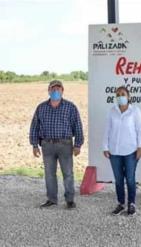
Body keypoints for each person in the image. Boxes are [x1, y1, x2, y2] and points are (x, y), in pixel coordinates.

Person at [29, 80, 84, 209]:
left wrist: (78, 145)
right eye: (53, 89)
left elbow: (78, 126)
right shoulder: (41, 107)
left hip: (65, 144)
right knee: (49, 174)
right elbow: (34, 127)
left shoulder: (70, 107)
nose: (55, 92)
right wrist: (34, 145)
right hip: (47, 145)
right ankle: (51, 199)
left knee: (68, 174)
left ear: (62, 91)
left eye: (58, 89)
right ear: (49, 91)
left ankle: (70, 200)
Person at [103, 86, 141, 216]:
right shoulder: (112, 111)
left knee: (130, 179)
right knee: (118, 179)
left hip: (131, 151)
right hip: (114, 151)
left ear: (128, 96)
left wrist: (140, 146)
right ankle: (121, 203)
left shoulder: (135, 111)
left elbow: (140, 129)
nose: (120, 96)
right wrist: (105, 147)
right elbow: (107, 130)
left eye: (123, 94)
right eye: (118, 94)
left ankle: (131, 203)